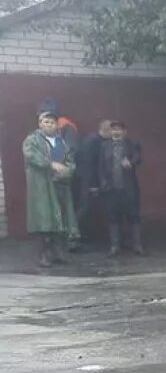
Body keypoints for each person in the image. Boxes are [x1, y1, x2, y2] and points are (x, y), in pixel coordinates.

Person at [23, 112, 77, 267]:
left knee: (61, 220)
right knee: (44, 221)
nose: (49, 125)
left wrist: (66, 171)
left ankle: (58, 253)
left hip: (60, 184)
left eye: (52, 122)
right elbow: (31, 156)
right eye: (45, 122)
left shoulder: (61, 141)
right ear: (40, 123)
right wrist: (51, 164)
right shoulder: (32, 140)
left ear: (56, 125)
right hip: (43, 187)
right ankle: (43, 256)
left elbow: (70, 161)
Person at [98, 121, 144, 256]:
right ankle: (114, 246)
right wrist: (103, 182)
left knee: (133, 216)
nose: (116, 132)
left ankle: (137, 245)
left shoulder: (132, 144)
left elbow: (138, 157)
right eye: (113, 129)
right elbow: (100, 166)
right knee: (113, 217)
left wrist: (131, 162)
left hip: (129, 187)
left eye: (119, 129)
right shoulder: (104, 146)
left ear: (124, 132)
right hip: (111, 187)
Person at [72, 119, 112, 248]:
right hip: (87, 180)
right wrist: (93, 185)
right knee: (84, 208)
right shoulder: (93, 142)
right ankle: (71, 239)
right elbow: (89, 165)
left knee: (88, 209)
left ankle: (82, 236)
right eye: (111, 130)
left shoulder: (97, 140)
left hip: (88, 179)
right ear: (105, 130)